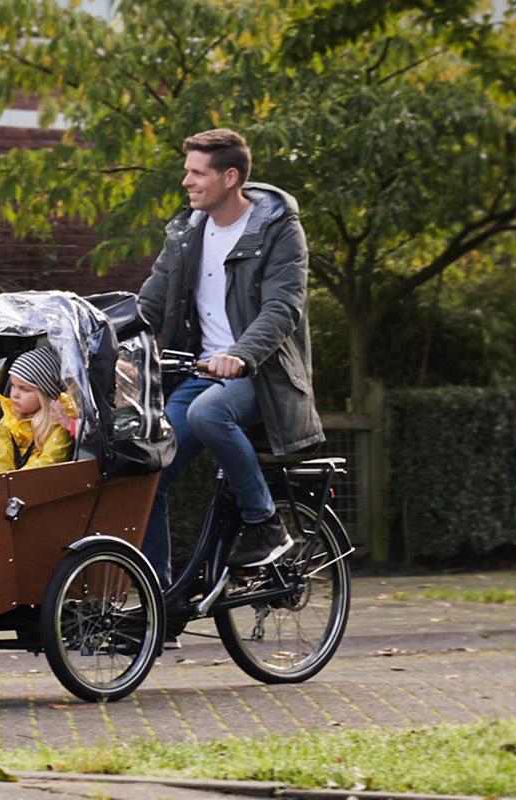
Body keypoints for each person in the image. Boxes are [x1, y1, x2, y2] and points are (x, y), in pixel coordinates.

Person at [135, 128, 325, 581]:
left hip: (263, 374)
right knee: (146, 473)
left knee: (207, 414)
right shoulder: (186, 232)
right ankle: (160, 605)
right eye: (187, 171)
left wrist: (240, 355)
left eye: (197, 173)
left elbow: (282, 308)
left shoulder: (278, 230)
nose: (186, 182)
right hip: (200, 374)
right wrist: (94, 329)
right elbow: (150, 304)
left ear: (230, 177)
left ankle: (265, 525)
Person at [0, 347, 78, 474]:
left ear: (45, 394)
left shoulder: (59, 424)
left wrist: (13, 482)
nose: (15, 394)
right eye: (13, 386)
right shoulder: (9, 421)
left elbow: (49, 463)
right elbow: (1, 461)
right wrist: (0, 485)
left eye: (24, 389)